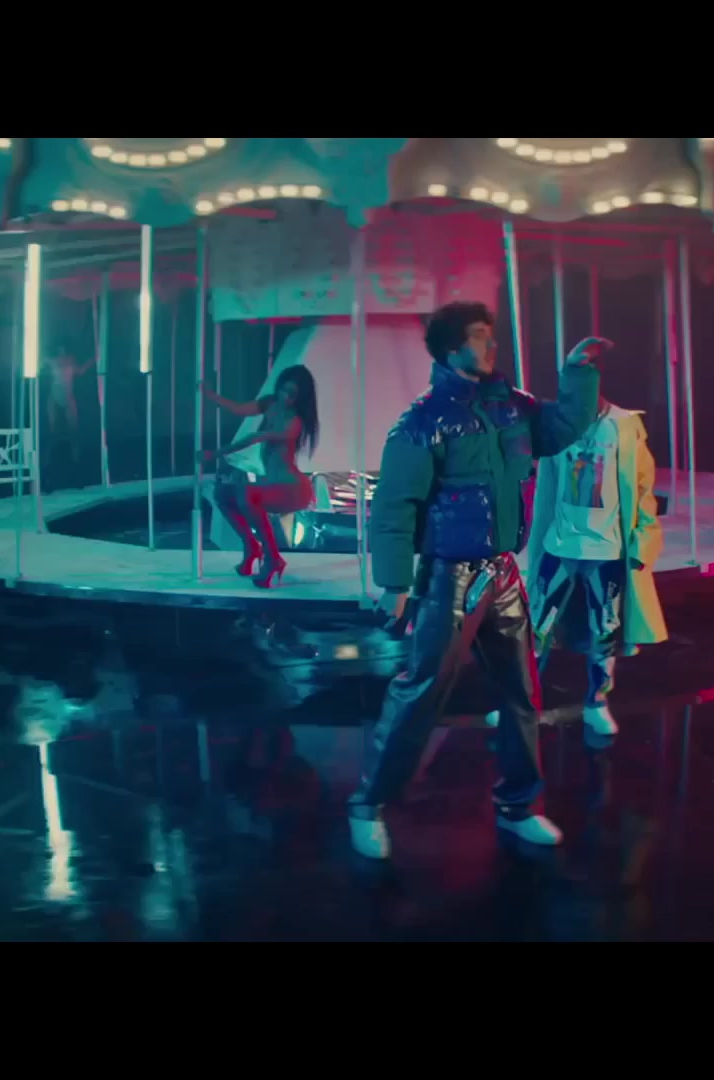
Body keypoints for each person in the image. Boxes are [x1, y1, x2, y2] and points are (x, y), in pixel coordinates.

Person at [347, 299, 606, 860]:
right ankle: (368, 805)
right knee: (422, 693)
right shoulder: (423, 422)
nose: (491, 345)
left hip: (503, 572)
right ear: (451, 348)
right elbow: (394, 506)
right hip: (448, 577)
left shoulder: (512, 406)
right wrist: (394, 584)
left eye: (491, 335)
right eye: (479, 336)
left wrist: (577, 375)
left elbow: (562, 427)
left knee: (521, 694)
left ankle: (520, 805)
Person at [505, 392, 668, 736]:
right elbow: (539, 475)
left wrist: (643, 544)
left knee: (605, 629)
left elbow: (643, 488)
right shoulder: (558, 423)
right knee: (535, 626)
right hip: (560, 543)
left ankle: (597, 702)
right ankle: (518, 704)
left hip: (608, 549)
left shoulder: (623, 425)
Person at [201, 367, 320, 588]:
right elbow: (239, 409)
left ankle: (273, 558)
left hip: (293, 488)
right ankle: (251, 546)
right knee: (223, 494)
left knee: (247, 494)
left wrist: (214, 454)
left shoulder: (293, 422)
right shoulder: (269, 403)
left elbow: (255, 437)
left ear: (300, 398)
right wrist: (210, 396)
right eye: (284, 390)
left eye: (292, 395)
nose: (286, 398)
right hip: (273, 483)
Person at [43, 344, 93, 464]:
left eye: (64, 348)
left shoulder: (71, 361)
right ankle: (48, 456)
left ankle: (75, 456)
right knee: (53, 429)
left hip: (68, 396)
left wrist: (94, 359)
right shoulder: (53, 361)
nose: (62, 350)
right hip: (54, 397)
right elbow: (42, 360)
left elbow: (80, 371)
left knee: (73, 429)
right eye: (60, 349)